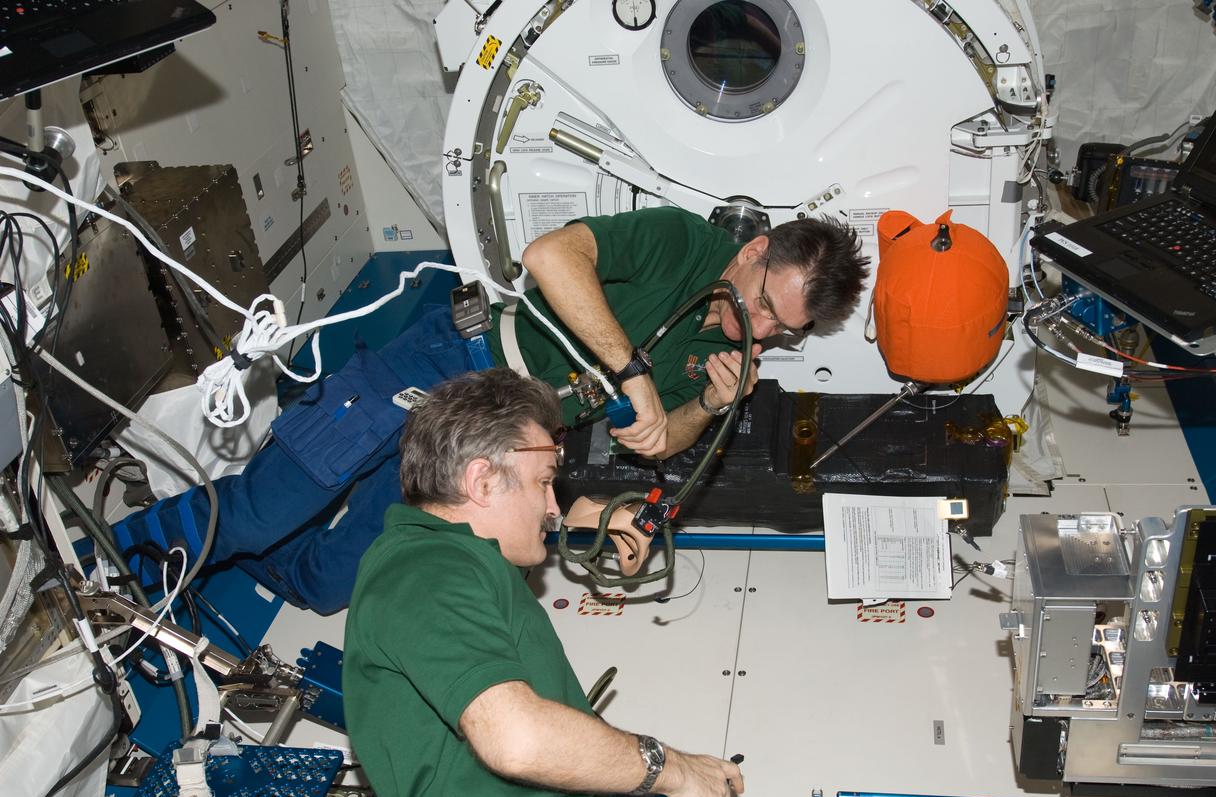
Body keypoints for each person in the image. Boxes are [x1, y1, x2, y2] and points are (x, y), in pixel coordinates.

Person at [113, 206, 870, 612]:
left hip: (494, 434)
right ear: (754, 251)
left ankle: (203, 541)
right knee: (257, 514)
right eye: (762, 303)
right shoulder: (679, 242)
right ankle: (109, 566)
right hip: (450, 362)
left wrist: (708, 401)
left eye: (782, 329)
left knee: (329, 586)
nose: (758, 328)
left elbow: (657, 440)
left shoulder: (725, 354)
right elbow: (550, 256)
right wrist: (632, 369)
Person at [342, 368, 745, 797]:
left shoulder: (461, 568)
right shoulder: (424, 566)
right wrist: (670, 768)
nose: (553, 507)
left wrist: (601, 514)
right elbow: (516, 739)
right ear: (482, 482)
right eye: (544, 483)